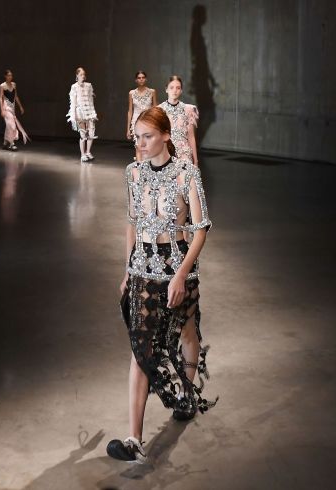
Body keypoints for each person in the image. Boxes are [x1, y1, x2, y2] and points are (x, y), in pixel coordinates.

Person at [106, 106, 215, 463]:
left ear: (166, 135)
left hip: (177, 266)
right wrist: (128, 269)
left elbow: (200, 229)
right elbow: (132, 222)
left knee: (187, 334)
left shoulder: (186, 173)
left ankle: (185, 396)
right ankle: (133, 439)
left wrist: (181, 274)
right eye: (137, 137)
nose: (140, 143)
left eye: (147, 136)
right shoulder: (133, 173)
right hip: (142, 267)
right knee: (141, 347)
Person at [157, 75, 199, 166]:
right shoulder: (159, 110)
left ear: (181, 91)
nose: (175, 90)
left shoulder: (188, 110)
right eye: (171, 87)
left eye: (178, 88)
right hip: (165, 153)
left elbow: (191, 136)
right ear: (166, 89)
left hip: (184, 154)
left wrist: (196, 161)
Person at [67, 67, 97, 162]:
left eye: (84, 74)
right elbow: (73, 102)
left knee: (91, 133)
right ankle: (82, 154)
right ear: (77, 75)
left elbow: (91, 101)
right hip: (80, 112)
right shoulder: (74, 87)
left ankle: (88, 152)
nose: (83, 76)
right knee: (83, 134)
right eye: (81, 74)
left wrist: (93, 113)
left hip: (89, 112)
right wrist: (74, 115)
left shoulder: (89, 86)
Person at [126, 71, 157, 161]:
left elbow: (155, 109)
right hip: (136, 122)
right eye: (139, 78)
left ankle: (147, 166)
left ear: (146, 79)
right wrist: (128, 129)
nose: (141, 79)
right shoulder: (131, 93)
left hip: (149, 122)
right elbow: (130, 111)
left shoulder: (152, 92)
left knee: (148, 146)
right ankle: (139, 165)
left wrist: (157, 124)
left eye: (143, 77)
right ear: (136, 80)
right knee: (138, 145)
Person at [0, 69, 29, 151]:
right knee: (11, 125)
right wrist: (1, 110)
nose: (10, 77)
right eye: (8, 75)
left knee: (8, 125)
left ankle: (5, 143)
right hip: (6, 107)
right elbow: (0, 98)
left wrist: (20, 106)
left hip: (12, 107)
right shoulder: (2, 86)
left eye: (11, 75)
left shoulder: (14, 84)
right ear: (5, 76)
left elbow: (16, 96)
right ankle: (12, 144)